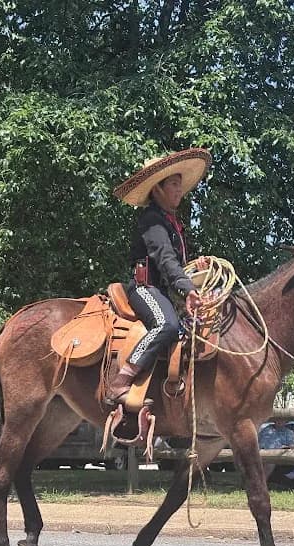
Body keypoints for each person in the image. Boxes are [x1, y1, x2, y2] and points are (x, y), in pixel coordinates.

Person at [105, 148, 212, 405]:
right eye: (174, 184)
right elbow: (165, 260)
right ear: (158, 190)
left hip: (163, 291)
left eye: (180, 184)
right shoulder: (152, 220)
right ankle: (122, 379)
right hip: (145, 288)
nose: (179, 190)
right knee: (167, 325)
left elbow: (176, 264)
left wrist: (195, 266)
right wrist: (187, 289)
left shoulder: (173, 223)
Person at [258, 418, 294, 486]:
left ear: (286, 421)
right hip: (262, 454)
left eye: (282, 419)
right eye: (277, 419)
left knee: (270, 461)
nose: (279, 421)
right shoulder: (266, 430)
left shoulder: (289, 432)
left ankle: (260, 484)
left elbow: (293, 448)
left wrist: (283, 448)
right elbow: (258, 443)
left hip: (279, 456)